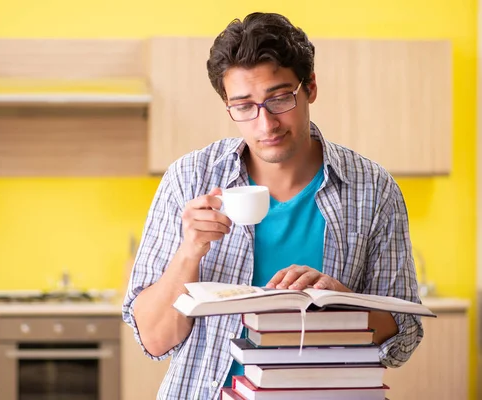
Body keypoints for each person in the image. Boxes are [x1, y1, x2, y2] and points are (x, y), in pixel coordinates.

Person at [122, 11, 423, 400]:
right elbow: (154, 339)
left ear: (310, 87)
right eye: (244, 106)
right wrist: (190, 250)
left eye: (280, 98)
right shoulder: (189, 178)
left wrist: (341, 304)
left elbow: (405, 335)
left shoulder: (373, 189)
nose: (266, 125)